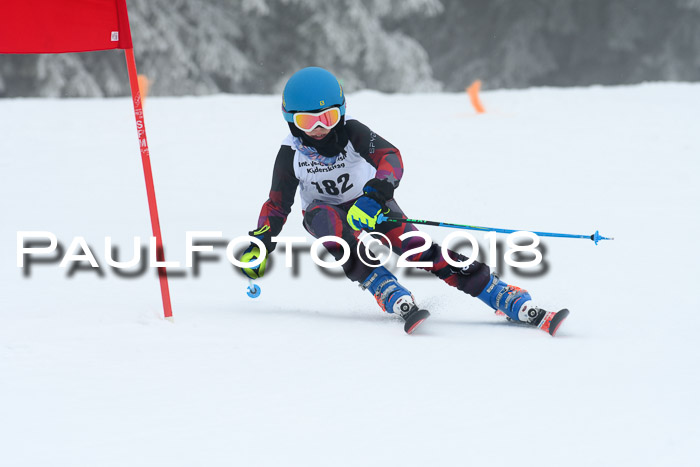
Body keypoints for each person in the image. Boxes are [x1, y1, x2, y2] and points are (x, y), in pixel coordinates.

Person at [240, 67, 567, 335]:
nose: (320, 129)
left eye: (327, 117)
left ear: (341, 112)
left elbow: (391, 158)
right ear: (290, 121)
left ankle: (496, 292)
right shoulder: (290, 154)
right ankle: (382, 285)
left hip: (368, 203)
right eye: (307, 122)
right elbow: (277, 204)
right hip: (322, 212)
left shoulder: (353, 132)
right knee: (332, 227)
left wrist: (376, 193)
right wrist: (262, 239)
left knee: (416, 249)